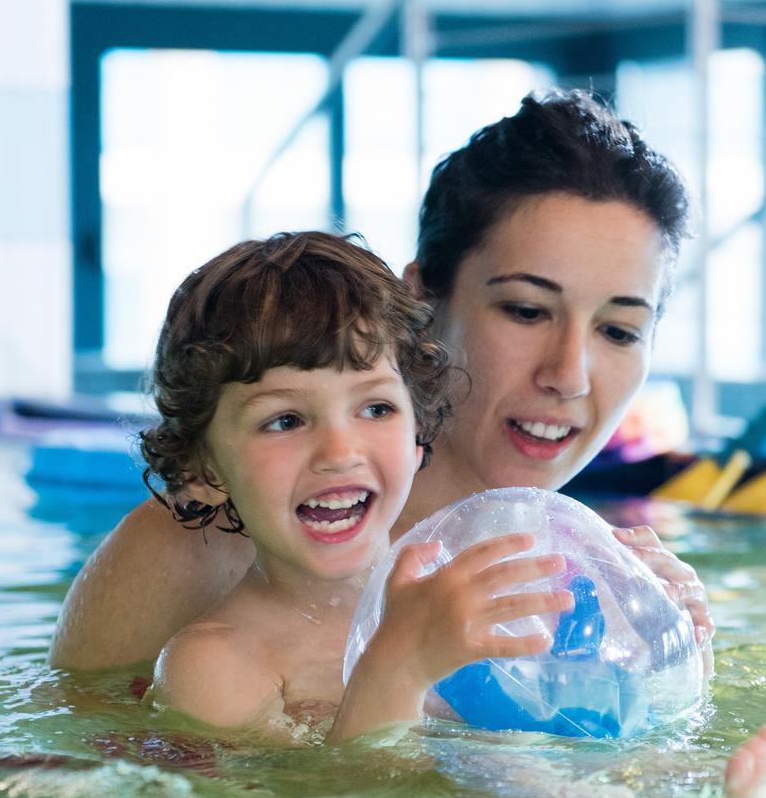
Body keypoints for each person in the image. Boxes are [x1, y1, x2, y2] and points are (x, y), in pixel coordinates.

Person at [51, 89, 708, 675]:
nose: (569, 375)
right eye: (526, 311)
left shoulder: (583, 580)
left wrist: (672, 650)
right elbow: (58, 772)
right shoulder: (204, 548)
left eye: (619, 331)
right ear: (421, 300)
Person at [140, 230, 574, 743]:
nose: (340, 452)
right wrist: (398, 667)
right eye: (284, 420)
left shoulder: (457, 584)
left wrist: (655, 625)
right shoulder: (214, 664)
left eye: (376, 409)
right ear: (204, 471)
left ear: (417, 436)